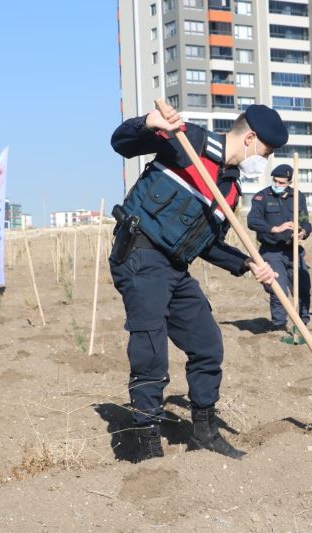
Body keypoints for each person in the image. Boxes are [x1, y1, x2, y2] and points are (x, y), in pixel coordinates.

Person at [110, 102, 281, 461]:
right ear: (250, 139)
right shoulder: (189, 141)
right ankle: (145, 440)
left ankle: (203, 431)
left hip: (174, 267)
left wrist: (248, 263)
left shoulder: (230, 190)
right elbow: (121, 143)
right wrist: (147, 123)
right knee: (151, 349)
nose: (264, 161)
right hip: (141, 254)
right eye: (266, 152)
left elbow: (206, 245)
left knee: (207, 344)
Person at [246, 164, 311, 332]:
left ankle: (303, 323)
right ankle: (279, 325)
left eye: (282, 183)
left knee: (303, 286)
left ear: (289, 182)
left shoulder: (298, 196)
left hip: (293, 250)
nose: (277, 184)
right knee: (278, 289)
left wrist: (303, 231)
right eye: (275, 181)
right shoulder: (262, 197)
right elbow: (252, 221)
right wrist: (275, 228)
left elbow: (305, 219)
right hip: (271, 250)